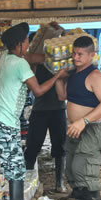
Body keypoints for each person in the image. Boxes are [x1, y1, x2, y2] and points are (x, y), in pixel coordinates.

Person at [0, 22, 68, 200]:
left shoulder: (7, 58)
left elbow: (38, 56)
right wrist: (57, 76)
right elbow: (38, 90)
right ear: (19, 44)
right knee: (16, 169)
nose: (28, 43)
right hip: (5, 123)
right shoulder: (20, 64)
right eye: (26, 40)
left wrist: (55, 40)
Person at [56, 36, 101, 200]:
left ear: (91, 55)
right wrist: (58, 77)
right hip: (75, 128)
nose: (76, 57)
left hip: (91, 128)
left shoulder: (95, 75)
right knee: (71, 170)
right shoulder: (74, 74)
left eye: (80, 54)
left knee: (83, 170)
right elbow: (62, 96)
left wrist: (83, 121)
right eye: (74, 53)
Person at [23, 63, 67, 193]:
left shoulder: (61, 62)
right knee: (32, 147)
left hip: (58, 109)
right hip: (39, 109)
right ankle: (28, 182)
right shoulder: (38, 62)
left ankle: (59, 183)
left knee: (60, 147)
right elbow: (30, 88)